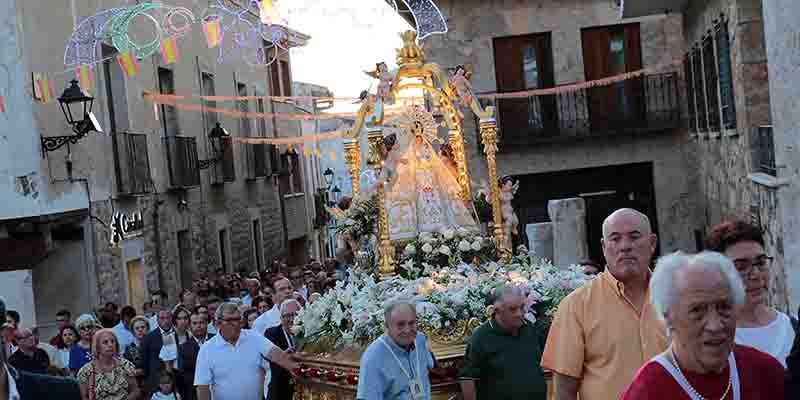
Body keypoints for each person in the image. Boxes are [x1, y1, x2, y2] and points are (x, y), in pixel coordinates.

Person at [541, 208, 668, 400]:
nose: (625, 246)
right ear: (603, 246)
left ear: (652, 243)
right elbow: (564, 389)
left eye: (634, 237)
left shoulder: (676, 297)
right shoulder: (577, 306)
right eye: (615, 239)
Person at [620, 251, 784, 399]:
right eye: (697, 310)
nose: (715, 325)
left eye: (724, 307)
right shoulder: (647, 391)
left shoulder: (765, 373)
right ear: (668, 317)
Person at [704, 220, 796, 367]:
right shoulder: (714, 341)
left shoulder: (793, 327)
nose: (755, 274)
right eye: (741, 267)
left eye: (760, 263)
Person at [194, 302, 299, 400]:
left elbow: (279, 356)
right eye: (230, 321)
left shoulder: (253, 337)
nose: (235, 324)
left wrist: (306, 371)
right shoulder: (206, 350)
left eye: (238, 319)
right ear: (218, 323)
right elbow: (203, 387)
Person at [459, 285, 547, 400]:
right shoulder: (481, 337)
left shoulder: (530, 329)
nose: (519, 314)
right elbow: (467, 378)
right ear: (497, 311)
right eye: (513, 309)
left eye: (522, 308)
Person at [0, 298, 81, 400]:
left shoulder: (66, 390)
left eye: (31, 335)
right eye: (26, 337)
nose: (31, 339)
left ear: (6, 334)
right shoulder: (15, 359)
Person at [356, 300, 434, 400]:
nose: (407, 330)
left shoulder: (420, 339)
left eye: (411, 323)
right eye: (400, 325)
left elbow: (431, 367)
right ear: (387, 327)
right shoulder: (373, 357)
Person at [77, 328, 140, 400]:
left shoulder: (125, 365)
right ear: (97, 347)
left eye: (113, 341)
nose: (110, 345)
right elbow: (84, 397)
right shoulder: (86, 371)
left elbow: (135, 391)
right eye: (105, 342)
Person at [265, 300, 301, 400]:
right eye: (287, 316)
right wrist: (282, 357)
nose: (292, 319)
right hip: (280, 391)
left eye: (295, 314)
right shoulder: (271, 333)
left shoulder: (309, 333)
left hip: (303, 389)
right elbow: (271, 361)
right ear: (281, 318)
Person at [178, 311, 213, 400]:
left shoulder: (217, 340)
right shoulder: (184, 348)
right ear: (190, 326)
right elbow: (184, 376)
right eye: (195, 323)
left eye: (201, 323)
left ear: (207, 324)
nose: (198, 326)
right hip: (195, 393)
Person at [141, 309, 174, 395]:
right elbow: (145, 362)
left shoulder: (179, 334)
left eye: (168, 318)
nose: (165, 321)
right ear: (157, 320)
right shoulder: (149, 337)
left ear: (172, 318)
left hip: (177, 381)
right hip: (155, 382)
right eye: (162, 318)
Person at [123, 316, 150, 389]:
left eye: (143, 327)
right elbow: (126, 369)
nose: (140, 330)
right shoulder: (129, 349)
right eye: (137, 328)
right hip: (138, 385)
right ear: (133, 331)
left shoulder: (154, 345)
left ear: (148, 329)